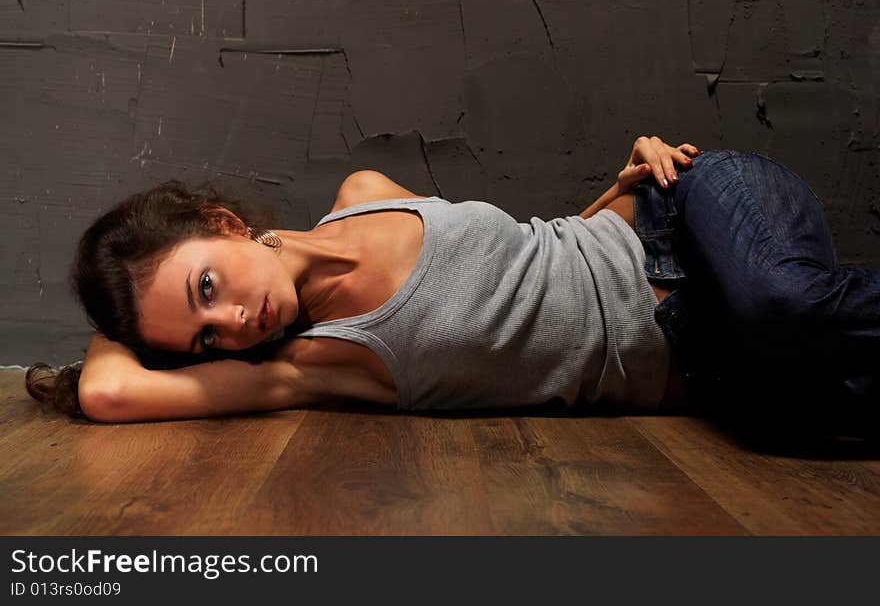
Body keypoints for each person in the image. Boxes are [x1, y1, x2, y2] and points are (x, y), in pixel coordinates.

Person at [24, 136, 878, 440]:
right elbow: (106, 393)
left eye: (206, 285)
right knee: (818, 415)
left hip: (690, 211)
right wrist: (133, 326)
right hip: (720, 363)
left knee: (785, 304)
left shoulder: (365, 191)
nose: (233, 322)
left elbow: (541, 259)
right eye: (203, 337)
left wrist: (627, 182)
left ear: (221, 220)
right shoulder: (322, 364)